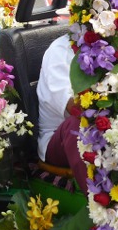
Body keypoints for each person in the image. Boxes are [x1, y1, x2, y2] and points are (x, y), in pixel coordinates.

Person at [37, 34, 88, 193]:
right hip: (57, 138)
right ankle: (102, 207)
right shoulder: (60, 51)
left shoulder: (111, 45)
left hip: (100, 124)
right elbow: (73, 107)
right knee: (78, 125)